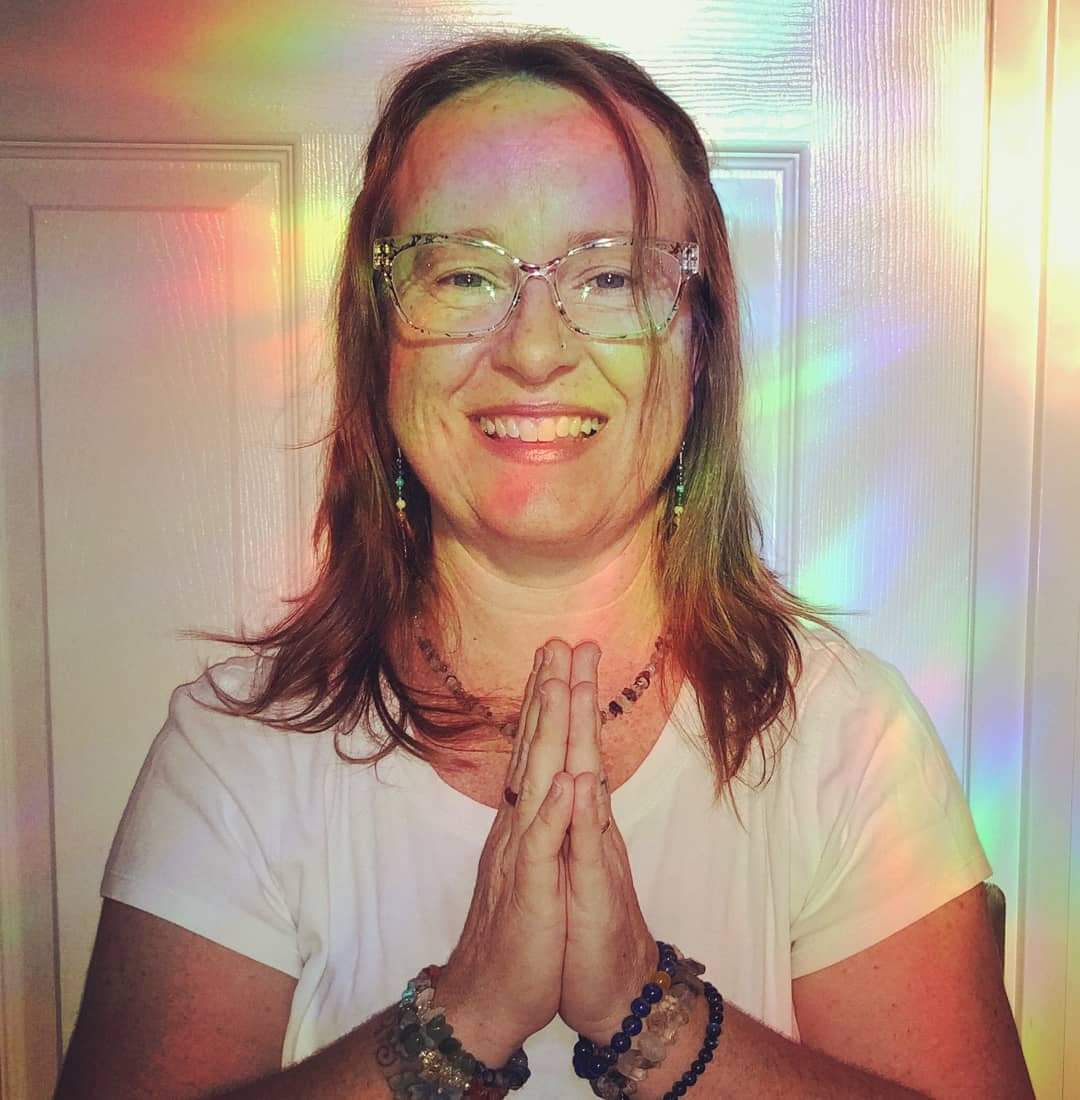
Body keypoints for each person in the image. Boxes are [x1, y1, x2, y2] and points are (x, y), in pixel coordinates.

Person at [55, 30, 1033, 1100]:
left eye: (609, 275)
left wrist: (649, 1014)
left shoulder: (847, 741)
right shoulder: (235, 753)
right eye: (462, 273)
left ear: (699, 346)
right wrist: (463, 1018)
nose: (532, 350)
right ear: (380, 342)